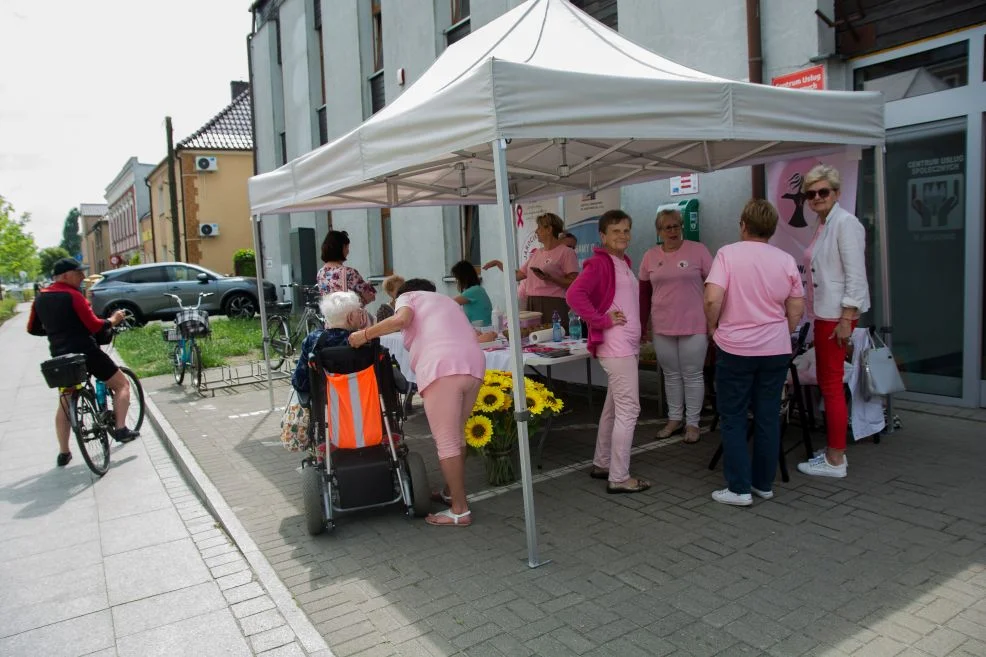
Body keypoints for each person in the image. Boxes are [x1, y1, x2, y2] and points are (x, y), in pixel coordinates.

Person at [349, 278, 485, 526]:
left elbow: (402, 320)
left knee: (446, 442)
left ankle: (460, 510)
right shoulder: (446, 301)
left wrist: (364, 334)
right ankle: (449, 493)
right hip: (474, 365)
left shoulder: (408, 297)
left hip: (441, 368)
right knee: (457, 436)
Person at [703, 200, 805, 506]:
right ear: (772, 229)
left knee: (733, 417)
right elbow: (797, 306)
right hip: (774, 348)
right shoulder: (786, 259)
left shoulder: (727, 254)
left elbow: (712, 299)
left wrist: (713, 329)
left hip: (736, 348)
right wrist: (781, 331)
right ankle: (763, 483)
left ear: (743, 224)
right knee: (768, 416)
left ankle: (738, 488)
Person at [566, 210, 650, 494]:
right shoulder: (601, 263)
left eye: (626, 230)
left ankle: (603, 463)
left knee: (614, 407)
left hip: (626, 343)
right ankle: (619, 476)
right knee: (630, 408)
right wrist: (601, 320)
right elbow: (574, 295)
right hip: (616, 345)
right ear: (602, 236)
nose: (622, 236)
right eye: (616, 231)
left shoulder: (622, 262)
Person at [27, 258, 139, 467]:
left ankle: (64, 452)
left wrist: (56, 331)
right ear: (65, 276)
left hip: (61, 357)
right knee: (121, 384)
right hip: (87, 352)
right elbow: (95, 326)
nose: (82, 277)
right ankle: (121, 428)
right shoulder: (72, 296)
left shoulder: (40, 298)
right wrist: (114, 319)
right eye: (78, 273)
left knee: (66, 399)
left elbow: (32, 328)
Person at [797, 164, 870, 479]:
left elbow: (856, 275)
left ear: (837, 193)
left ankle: (835, 459)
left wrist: (846, 318)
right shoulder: (824, 223)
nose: (816, 197)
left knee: (830, 386)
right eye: (811, 194)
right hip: (825, 314)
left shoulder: (845, 223)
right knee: (831, 385)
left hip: (836, 316)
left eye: (822, 191)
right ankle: (833, 451)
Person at [639, 208, 713, 444]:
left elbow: (714, 284)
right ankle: (674, 419)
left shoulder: (698, 250)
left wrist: (715, 320)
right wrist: (642, 325)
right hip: (662, 325)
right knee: (671, 375)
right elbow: (643, 293)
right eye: (666, 227)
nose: (672, 230)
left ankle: (692, 422)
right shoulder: (650, 255)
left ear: (682, 226)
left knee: (692, 374)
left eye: (675, 225)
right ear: (659, 231)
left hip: (694, 323)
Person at [483, 212, 578, 330]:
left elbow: (574, 283)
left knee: (554, 340)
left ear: (549, 229)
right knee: (534, 341)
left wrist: (551, 278)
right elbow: (518, 275)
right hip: (532, 302)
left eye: (539, 227)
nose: (536, 231)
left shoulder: (566, 252)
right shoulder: (537, 253)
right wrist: (499, 264)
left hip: (554, 303)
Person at [292, 291, 372, 405]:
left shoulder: (313, 339)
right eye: (359, 311)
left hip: (327, 410)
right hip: (362, 405)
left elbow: (300, 383)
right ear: (350, 318)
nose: (361, 314)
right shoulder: (365, 340)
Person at [316, 230, 376, 306]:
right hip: (348, 317)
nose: (348, 250)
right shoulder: (349, 272)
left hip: (330, 317)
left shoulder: (320, 273)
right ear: (341, 248)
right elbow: (370, 296)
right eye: (347, 247)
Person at [450, 260, 492, 327]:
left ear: (463, 277)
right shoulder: (478, 289)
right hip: (484, 328)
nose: (456, 281)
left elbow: (449, 303)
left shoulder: (473, 291)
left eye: (457, 278)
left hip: (480, 330)